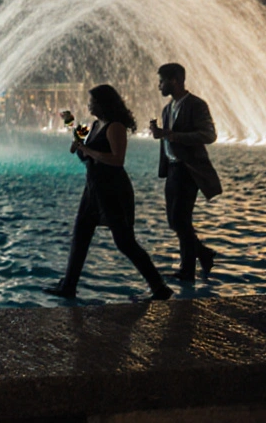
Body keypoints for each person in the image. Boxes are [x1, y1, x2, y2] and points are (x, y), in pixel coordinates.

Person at [45, 85, 173, 301]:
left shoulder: (115, 127)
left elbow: (117, 159)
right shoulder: (95, 125)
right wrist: (78, 147)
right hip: (94, 188)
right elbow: (89, 157)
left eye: (92, 101)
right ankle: (69, 285)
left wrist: (87, 150)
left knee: (125, 242)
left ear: (103, 103)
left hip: (113, 190)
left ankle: (159, 287)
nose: (89, 105)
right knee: (80, 235)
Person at [149, 63, 221, 281]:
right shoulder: (167, 108)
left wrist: (173, 135)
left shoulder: (196, 105)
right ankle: (203, 254)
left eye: (162, 81)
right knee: (175, 221)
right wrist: (159, 134)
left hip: (189, 169)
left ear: (175, 81)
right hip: (172, 169)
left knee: (181, 219)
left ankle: (188, 270)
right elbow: (169, 136)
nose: (159, 85)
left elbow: (209, 135)